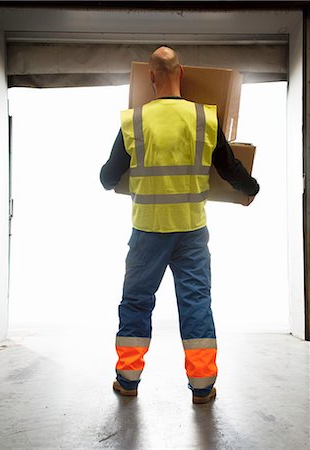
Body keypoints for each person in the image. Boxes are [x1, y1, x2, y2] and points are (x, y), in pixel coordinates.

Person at [100, 46, 259, 404]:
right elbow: (231, 170)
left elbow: (108, 178)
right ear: (182, 72)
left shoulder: (134, 121)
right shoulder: (205, 118)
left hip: (147, 231)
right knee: (196, 303)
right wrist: (252, 190)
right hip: (191, 232)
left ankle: (128, 380)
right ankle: (202, 386)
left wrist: (117, 176)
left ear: (151, 77)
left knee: (137, 303)